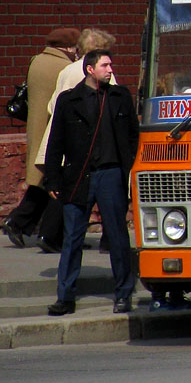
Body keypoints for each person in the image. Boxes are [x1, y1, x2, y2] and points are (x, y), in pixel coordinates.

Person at [42, 50, 139, 316]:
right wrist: (52, 176)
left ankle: (123, 293)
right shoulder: (69, 100)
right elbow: (56, 140)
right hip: (78, 176)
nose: (110, 70)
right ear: (90, 69)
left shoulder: (120, 97)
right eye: (105, 65)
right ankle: (66, 297)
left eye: (111, 64)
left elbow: (133, 136)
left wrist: (126, 168)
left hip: (111, 175)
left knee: (118, 237)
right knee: (73, 237)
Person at [31, 28, 117, 253]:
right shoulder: (102, 75)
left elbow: (52, 105)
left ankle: (50, 235)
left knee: (63, 190)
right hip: (89, 144)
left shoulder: (67, 70)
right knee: (95, 194)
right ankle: (106, 240)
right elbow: (112, 106)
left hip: (61, 139)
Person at [1, 28, 79, 249]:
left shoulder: (36, 61)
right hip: (53, 130)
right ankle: (41, 230)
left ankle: (19, 222)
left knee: (43, 179)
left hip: (37, 127)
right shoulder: (64, 67)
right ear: (68, 47)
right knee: (54, 180)